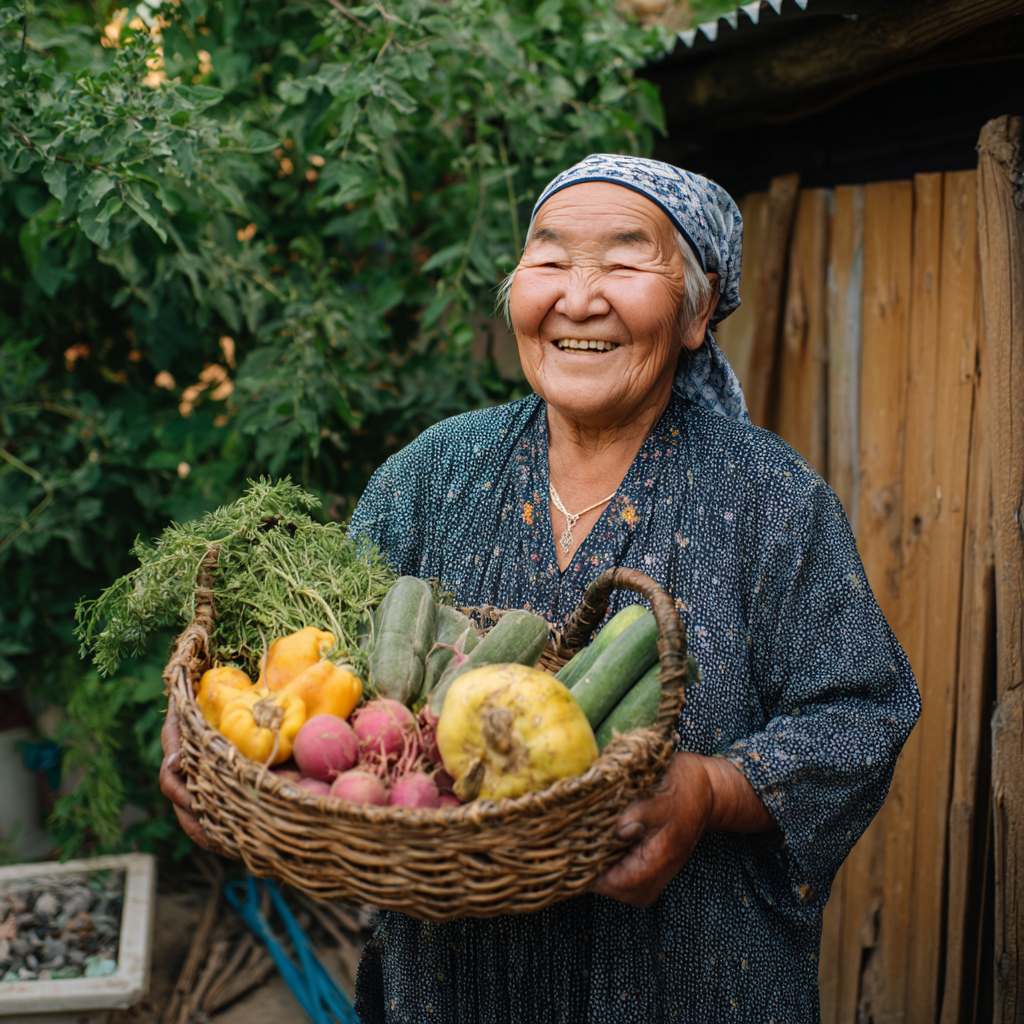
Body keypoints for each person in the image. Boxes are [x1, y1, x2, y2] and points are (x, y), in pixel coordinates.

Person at [162, 154, 920, 1023]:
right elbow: (305, 651)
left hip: (692, 980)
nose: (578, 297)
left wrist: (707, 790)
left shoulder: (770, 501)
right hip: (452, 987)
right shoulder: (432, 473)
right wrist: (215, 741)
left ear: (698, 310)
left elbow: (863, 713)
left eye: (624, 261)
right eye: (551, 259)